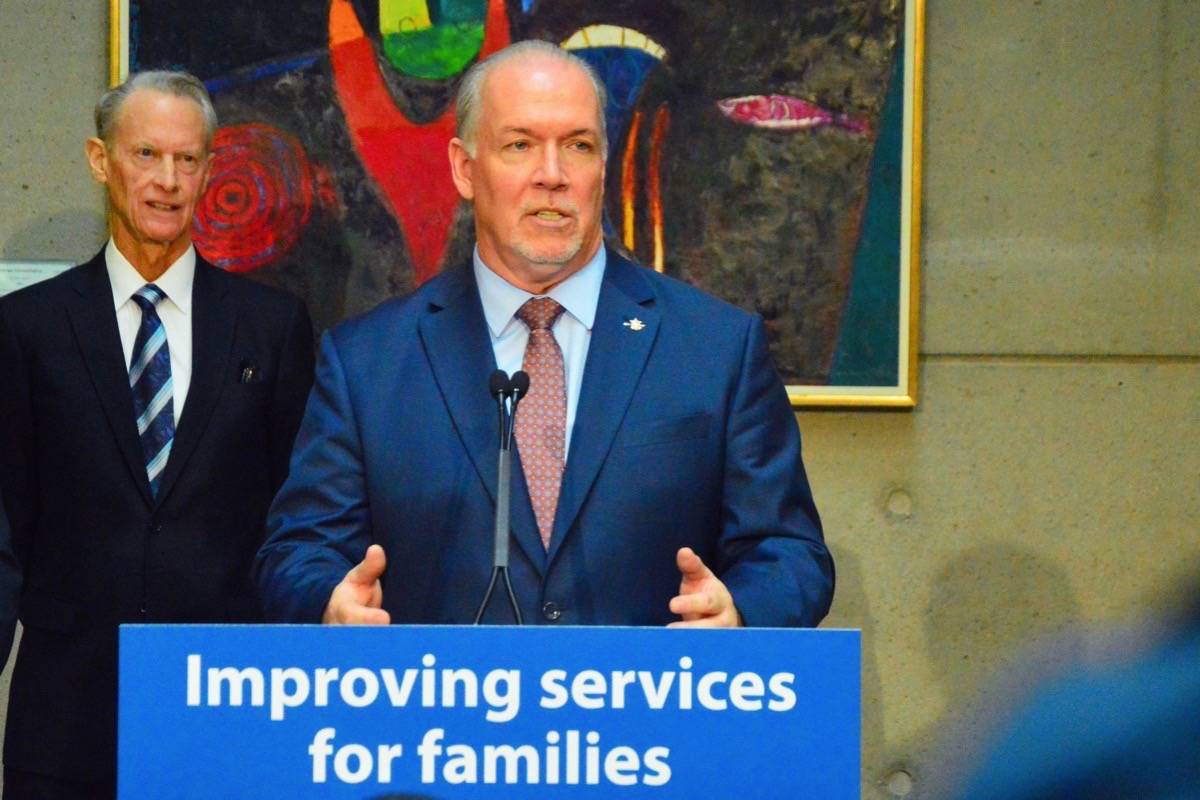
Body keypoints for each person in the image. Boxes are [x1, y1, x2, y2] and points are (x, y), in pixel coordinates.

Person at [255, 41, 832, 629]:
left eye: (578, 146)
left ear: (602, 165)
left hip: (644, 714)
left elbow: (791, 555)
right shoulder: (367, 364)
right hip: (442, 716)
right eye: (520, 145)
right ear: (464, 168)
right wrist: (330, 600)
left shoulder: (716, 349)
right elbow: (296, 554)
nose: (551, 176)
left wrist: (739, 612)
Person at [0, 71, 315, 797]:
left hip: (227, 711)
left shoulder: (271, 328)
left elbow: (296, 520)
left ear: (208, 170)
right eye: (146, 155)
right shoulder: (29, 331)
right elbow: (5, 532)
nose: (167, 181)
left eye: (187, 160)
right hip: (66, 717)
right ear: (99, 160)